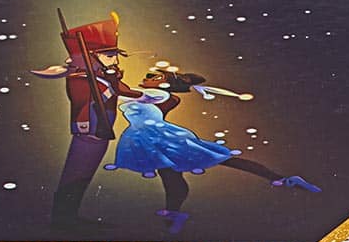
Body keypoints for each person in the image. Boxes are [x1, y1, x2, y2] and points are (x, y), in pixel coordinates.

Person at [104, 67, 321, 231]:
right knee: (171, 176)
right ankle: (174, 214)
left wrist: (111, 74)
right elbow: (115, 92)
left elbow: (122, 90)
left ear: (166, 83)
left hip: (161, 137)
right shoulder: (150, 94)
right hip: (148, 139)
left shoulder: (161, 95)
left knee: (216, 159)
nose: (148, 77)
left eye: (155, 76)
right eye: (150, 75)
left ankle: (283, 179)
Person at [32, 11, 143, 228]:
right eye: (109, 56)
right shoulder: (80, 78)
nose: (115, 60)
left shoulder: (105, 75)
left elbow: (122, 90)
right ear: (91, 56)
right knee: (76, 174)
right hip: (89, 133)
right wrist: (110, 87)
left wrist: (142, 95)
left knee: (85, 174)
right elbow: (83, 101)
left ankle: (68, 217)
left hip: (102, 131)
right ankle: (63, 220)